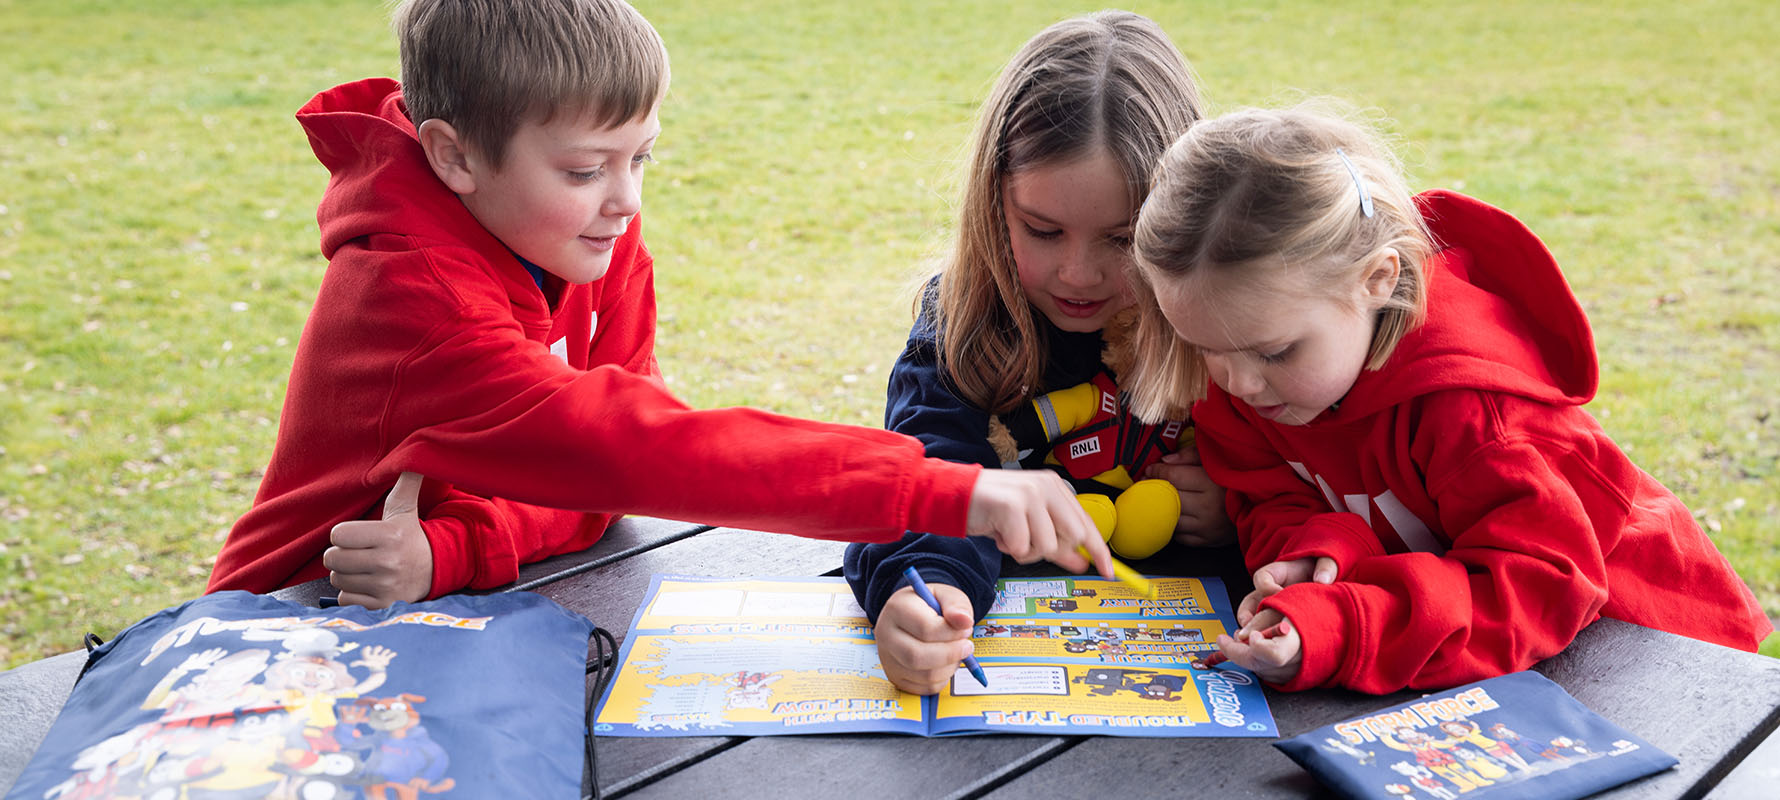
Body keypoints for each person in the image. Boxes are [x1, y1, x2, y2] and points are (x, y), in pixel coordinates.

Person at [207, 0, 1115, 609]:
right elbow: (646, 448)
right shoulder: (420, 310)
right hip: (288, 631)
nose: (626, 200)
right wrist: (945, 489)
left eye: (640, 157)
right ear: (453, 156)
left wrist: (456, 549)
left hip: (469, 615)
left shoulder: (575, 232)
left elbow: (605, 486)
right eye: (584, 169)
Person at [1122, 103, 1773, 693]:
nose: (1236, 384)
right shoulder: (1258, 371)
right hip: (1496, 665)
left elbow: (1532, 590)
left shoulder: (1478, 417)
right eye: (1203, 345)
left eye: (1273, 353)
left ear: (1378, 280)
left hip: (1650, 660)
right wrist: (1314, 551)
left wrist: (1347, 626)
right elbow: (1269, 494)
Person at [842, 11, 1235, 696]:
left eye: (1122, 238)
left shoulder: (1225, 322)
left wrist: (1240, 511)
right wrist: (927, 590)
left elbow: (1315, 476)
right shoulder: (965, 326)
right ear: (994, 203)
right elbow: (925, 477)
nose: (1078, 275)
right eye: (1044, 230)